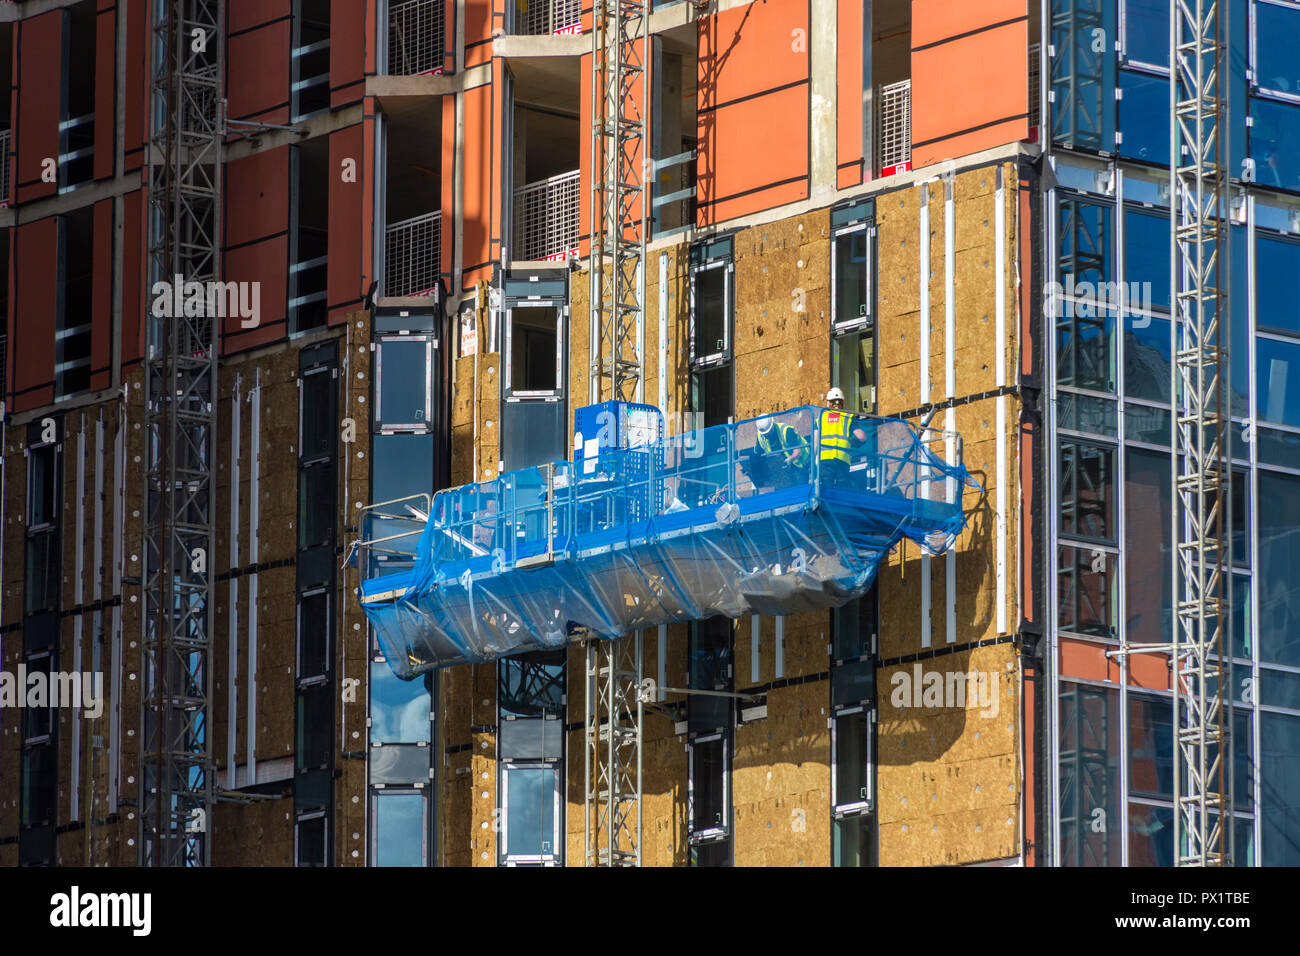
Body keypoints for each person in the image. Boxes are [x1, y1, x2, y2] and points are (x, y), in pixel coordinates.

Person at [819, 387, 869, 487]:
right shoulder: (847, 417)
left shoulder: (821, 417)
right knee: (842, 489)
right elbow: (862, 437)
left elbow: (815, 442)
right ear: (842, 402)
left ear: (829, 403)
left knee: (827, 488)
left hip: (825, 459)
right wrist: (853, 444)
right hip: (842, 459)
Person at [747, 415, 810, 491]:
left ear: (772, 425)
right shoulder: (761, 436)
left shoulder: (786, 431)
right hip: (782, 470)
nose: (766, 435)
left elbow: (798, 452)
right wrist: (750, 469)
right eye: (764, 434)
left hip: (801, 465)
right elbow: (758, 455)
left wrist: (789, 460)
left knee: (800, 492)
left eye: (768, 433)